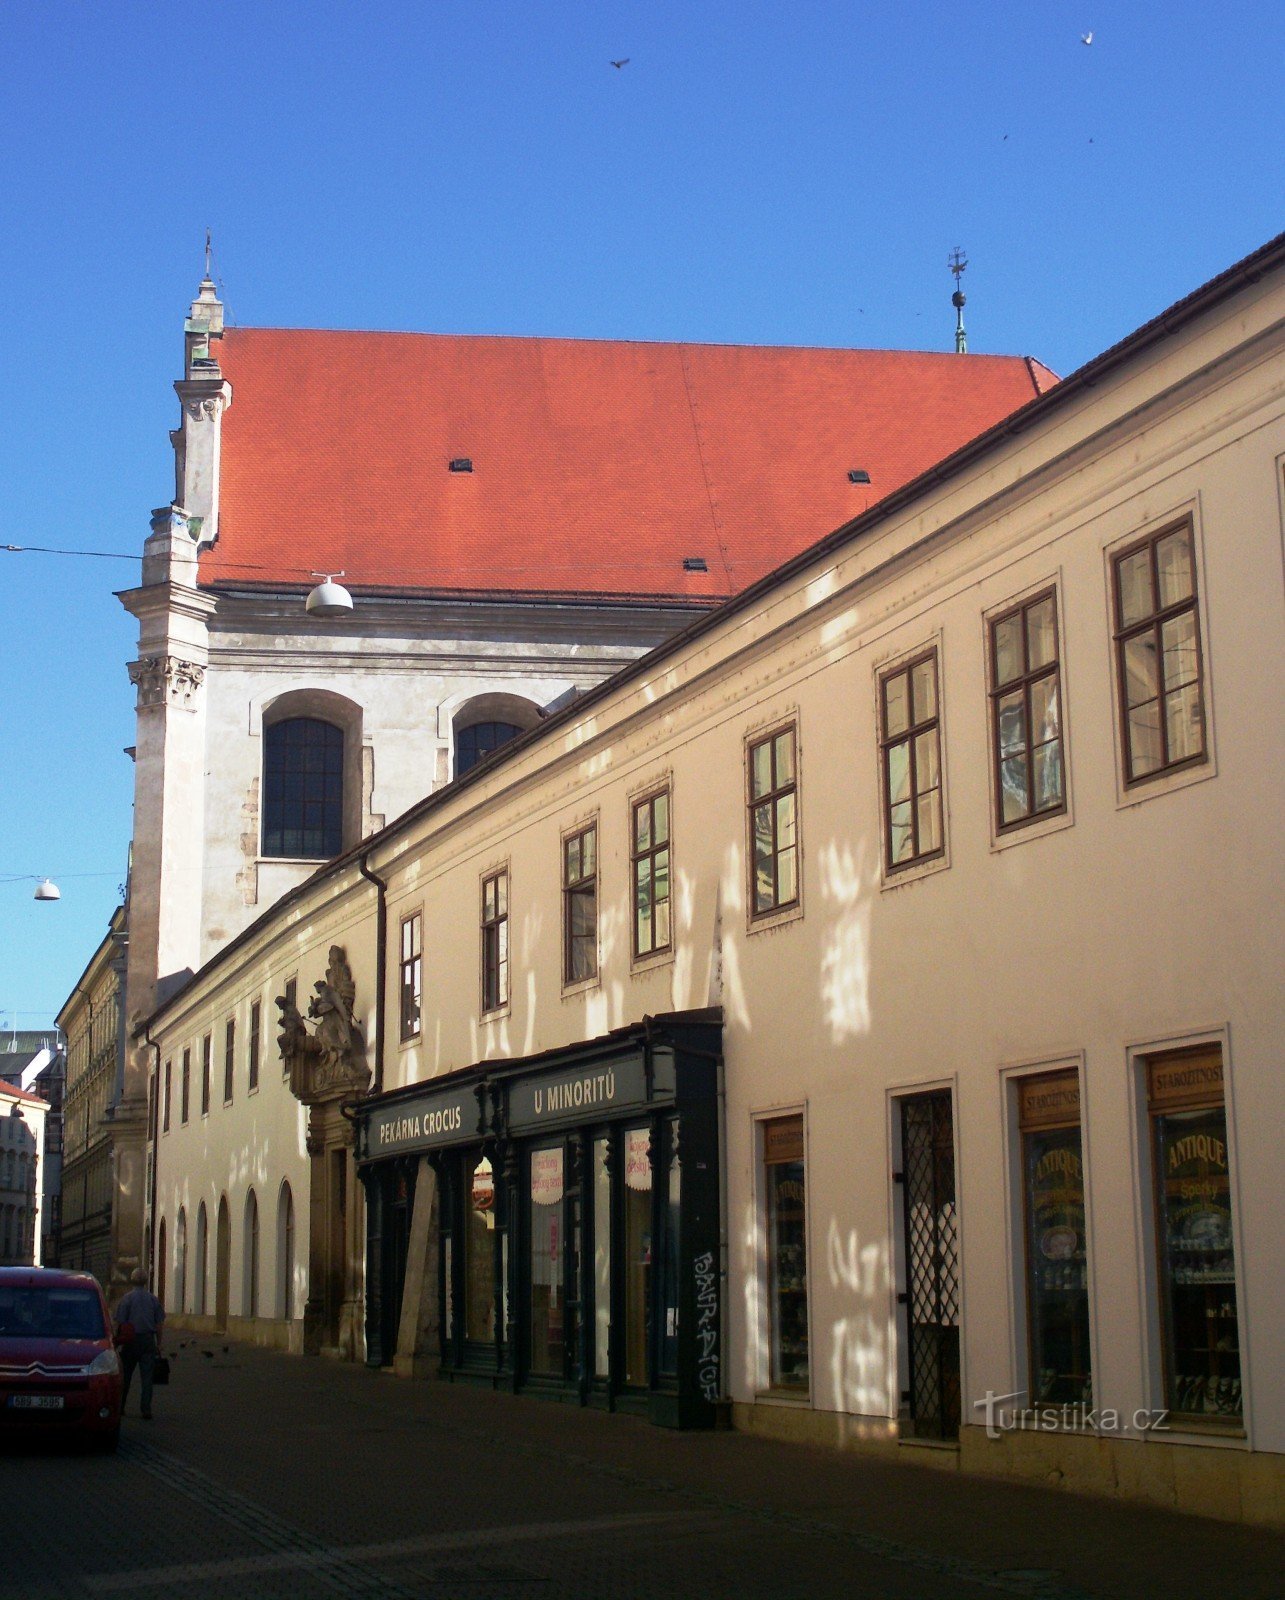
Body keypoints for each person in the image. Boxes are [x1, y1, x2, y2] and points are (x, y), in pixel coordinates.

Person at [114, 1268, 165, 1420]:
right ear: (146, 1281)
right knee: (147, 1377)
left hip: (130, 1341)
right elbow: (159, 1324)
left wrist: (116, 1341)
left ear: (132, 1280)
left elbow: (120, 1322)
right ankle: (146, 1409)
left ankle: (121, 1407)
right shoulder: (153, 1299)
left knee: (126, 1376)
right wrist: (159, 1343)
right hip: (148, 1341)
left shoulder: (127, 1299)